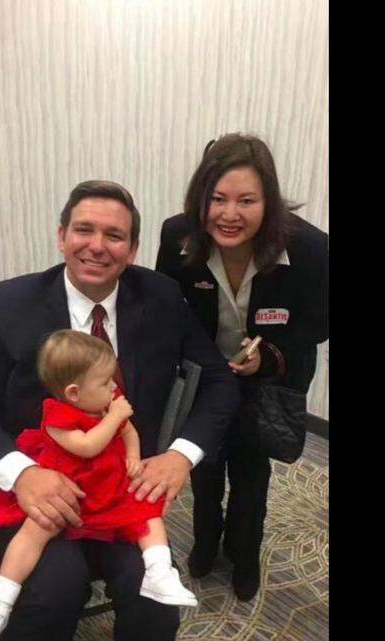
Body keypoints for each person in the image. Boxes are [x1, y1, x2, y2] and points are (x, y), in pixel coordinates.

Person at [0, 180, 240, 641]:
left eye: (114, 236)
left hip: (116, 491)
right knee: (55, 591)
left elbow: (219, 382)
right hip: (31, 491)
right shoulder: (7, 304)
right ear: (61, 237)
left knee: (154, 604)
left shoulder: (160, 296)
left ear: (132, 249)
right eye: (83, 230)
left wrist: (180, 456)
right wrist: (23, 474)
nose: (97, 246)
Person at [155, 133, 329, 601]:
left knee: (251, 473)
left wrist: (268, 356)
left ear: (268, 202)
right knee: (204, 466)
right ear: (201, 198)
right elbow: (167, 310)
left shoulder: (310, 249)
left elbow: (316, 324)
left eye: (247, 200)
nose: (230, 214)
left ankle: (244, 554)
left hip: (267, 381)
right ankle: (207, 541)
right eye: (218, 199)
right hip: (204, 379)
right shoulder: (178, 237)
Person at [0, 331, 197, 641]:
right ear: (74, 392)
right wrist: (114, 416)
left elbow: (129, 431)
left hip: (108, 486)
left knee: (147, 512)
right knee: (35, 531)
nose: (115, 387)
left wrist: (133, 456)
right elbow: (88, 446)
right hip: (67, 489)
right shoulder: (58, 414)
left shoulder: (105, 400)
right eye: (106, 382)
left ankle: (159, 572)